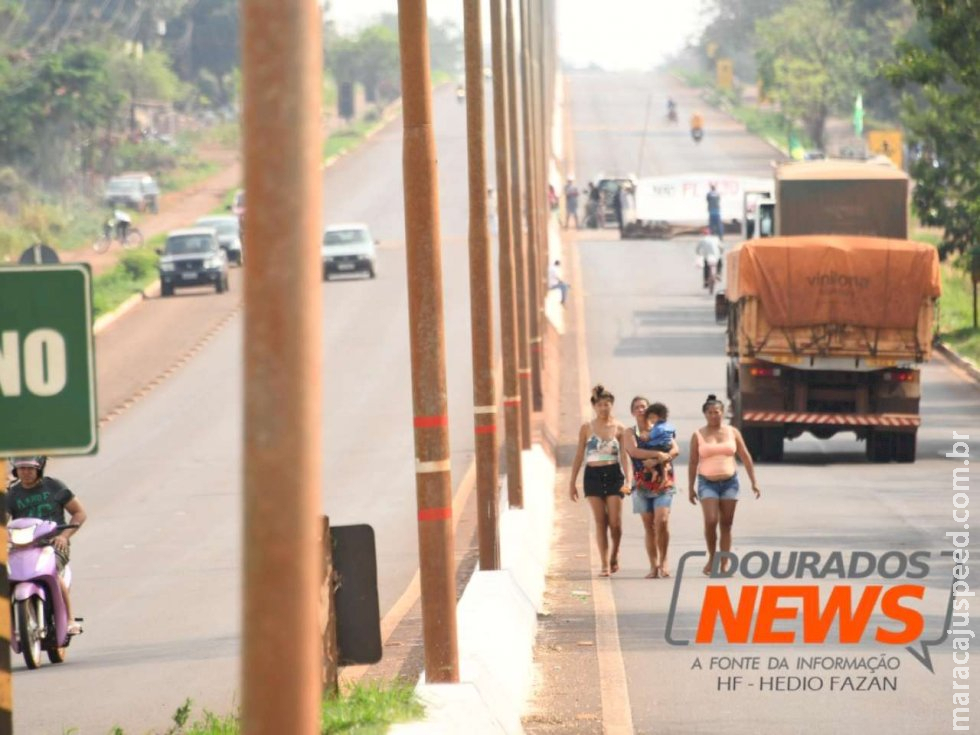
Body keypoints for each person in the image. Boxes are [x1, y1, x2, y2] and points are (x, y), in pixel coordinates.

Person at [6, 456, 87, 634]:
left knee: (54, 574)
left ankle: (70, 620)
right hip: (23, 547)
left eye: (30, 468)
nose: (25, 472)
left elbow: (79, 513)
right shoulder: (11, 494)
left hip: (53, 545)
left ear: (39, 469)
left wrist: (64, 537)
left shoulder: (54, 486)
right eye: (21, 469)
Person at [687, 395, 761, 575]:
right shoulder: (698, 435)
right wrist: (690, 487)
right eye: (710, 413)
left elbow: (745, 456)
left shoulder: (732, 432)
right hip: (707, 483)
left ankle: (724, 561)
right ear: (705, 414)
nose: (714, 415)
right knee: (711, 521)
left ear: (723, 413)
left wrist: (754, 481)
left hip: (730, 482)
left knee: (726, 523)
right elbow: (692, 462)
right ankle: (713, 557)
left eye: (717, 412)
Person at [569, 385, 632, 577]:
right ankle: (604, 563)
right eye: (601, 405)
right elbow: (580, 455)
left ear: (612, 405)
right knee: (600, 521)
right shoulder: (587, 428)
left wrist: (628, 480)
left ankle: (615, 554)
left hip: (613, 475)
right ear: (594, 406)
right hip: (593, 476)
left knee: (615, 522)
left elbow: (623, 456)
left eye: (607, 404)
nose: (604, 408)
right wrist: (572, 482)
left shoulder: (620, 428)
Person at [624, 401, 680, 578]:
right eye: (637, 407)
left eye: (643, 407)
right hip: (641, 483)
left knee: (662, 521)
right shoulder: (630, 432)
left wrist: (659, 460)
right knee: (649, 526)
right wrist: (657, 455)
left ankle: (664, 562)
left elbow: (675, 449)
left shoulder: (661, 428)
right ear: (632, 412)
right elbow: (634, 452)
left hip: (664, 483)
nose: (641, 409)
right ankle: (653, 565)